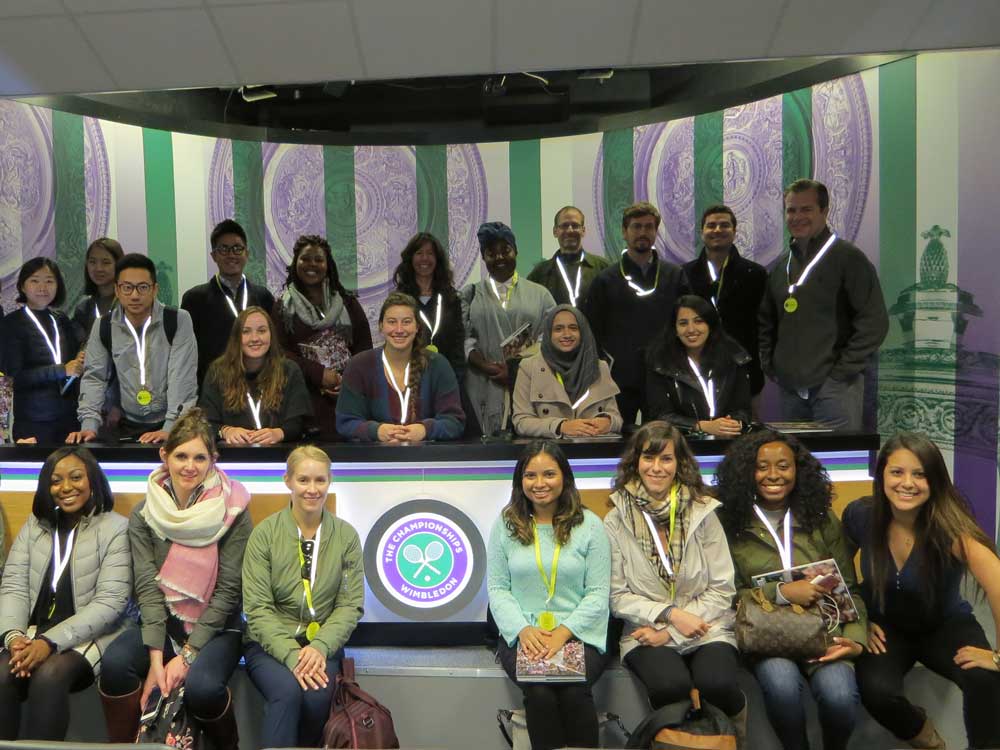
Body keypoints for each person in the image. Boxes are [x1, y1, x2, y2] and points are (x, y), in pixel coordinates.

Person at [97, 409, 251, 750]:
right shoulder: (143, 513)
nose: (189, 467)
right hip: (163, 626)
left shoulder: (234, 508)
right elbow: (147, 589)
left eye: (200, 457)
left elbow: (228, 591)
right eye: (181, 455)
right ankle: (125, 745)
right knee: (115, 664)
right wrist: (156, 659)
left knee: (202, 687)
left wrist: (188, 656)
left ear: (214, 459)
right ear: (164, 455)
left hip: (218, 628)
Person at [843, 433, 1000, 749]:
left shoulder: (951, 529)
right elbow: (838, 574)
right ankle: (928, 739)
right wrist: (858, 619)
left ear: (935, 481)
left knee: (985, 680)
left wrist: (999, 656)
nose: (907, 483)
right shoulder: (861, 514)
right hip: (884, 627)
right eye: (897, 472)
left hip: (944, 626)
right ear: (882, 475)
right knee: (878, 692)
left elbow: (997, 584)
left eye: (920, 474)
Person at [715, 430, 868, 750]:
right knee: (781, 686)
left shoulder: (821, 517)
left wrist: (854, 640)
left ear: (798, 471)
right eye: (762, 467)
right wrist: (781, 592)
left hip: (824, 628)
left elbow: (849, 586)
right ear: (746, 472)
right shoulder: (727, 523)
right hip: (764, 633)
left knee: (840, 697)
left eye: (783, 466)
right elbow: (724, 592)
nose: (773, 475)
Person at [604, 421, 747, 741]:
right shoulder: (616, 517)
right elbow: (617, 595)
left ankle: (734, 741)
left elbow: (722, 588)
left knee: (718, 683)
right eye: (648, 458)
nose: (656, 467)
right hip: (646, 629)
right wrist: (670, 617)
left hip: (707, 626)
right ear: (635, 462)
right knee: (670, 685)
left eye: (666, 459)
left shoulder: (703, 512)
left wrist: (671, 631)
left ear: (679, 464)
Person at [487, 441, 611, 750]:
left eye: (549, 474)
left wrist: (563, 633)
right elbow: (498, 589)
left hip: (580, 633)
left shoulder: (590, 525)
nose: (539, 484)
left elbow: (598, 593)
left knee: (573, 690)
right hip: (523, 633)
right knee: (539, 692)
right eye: (530, 475)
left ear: (565, 478)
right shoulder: (505, 525)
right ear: (520, 481)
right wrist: (523, 630)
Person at [0, 446, 130, 740]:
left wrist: (50, 642)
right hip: (34, 633)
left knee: (49, 676)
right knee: (2, 674)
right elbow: (13, 586)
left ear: (93, 480)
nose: (66, 487)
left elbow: (110, 603)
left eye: (76, 477)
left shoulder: (116, 528)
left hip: (92, 636)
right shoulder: (35, 526)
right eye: (56, 480)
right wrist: (14, 637)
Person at [242, 445, 365, 748]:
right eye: (303, 480)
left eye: (320, 480)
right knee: (286, 691)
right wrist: (292, 655)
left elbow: (350, 604)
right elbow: (257, 609)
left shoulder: (345, 536)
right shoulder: (265, 534)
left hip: (322, 644)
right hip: (269, 646)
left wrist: (320, 646)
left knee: (316, 697)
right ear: (288, 481)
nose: (312, 489)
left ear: (330, 481)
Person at [758, 179, 888, 430]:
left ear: (824, 211)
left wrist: (840, 374)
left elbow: (874, 322)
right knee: (796, 465)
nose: (797, 217)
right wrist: (771, 366)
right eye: (791, 210)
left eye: (806, 209)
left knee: (839, 465)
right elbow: (766, 321)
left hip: (835, 391)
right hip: (791, 391)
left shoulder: (848, 259)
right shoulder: (781, 267)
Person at [70, 253, 198, 444]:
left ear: (155, 289)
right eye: (127, 288)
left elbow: (182, 376)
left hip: (173, 422)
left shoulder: (178, 320)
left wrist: (171, 427)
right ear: (117, 290)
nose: (135, 295)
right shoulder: (104, 325)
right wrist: (89, 425)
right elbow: (94, 377)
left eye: (143, 287)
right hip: (125, 423)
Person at [583, 202, 690, 426]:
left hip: (666, 374)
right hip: (619, 379)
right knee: (618, 440)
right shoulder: (605, 280)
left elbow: (686, 324)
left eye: (649, 227)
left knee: (663, 438)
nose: (643, 232)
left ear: (656, 231)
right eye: (636, 226)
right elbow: (592, 330)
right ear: (624, 232)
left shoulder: (675, 276)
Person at [272, 234, 372, 440]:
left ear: (328, 265)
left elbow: (365, 351)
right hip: (302, 403)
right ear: (295, 263)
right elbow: (278, 353)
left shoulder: (349, 304)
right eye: (305, 259)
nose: (312, 265)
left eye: (319, 259)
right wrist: (319, 374)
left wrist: (346, 381)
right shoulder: (282, 307)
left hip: (347, 401)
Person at [461, 221, 556, 436]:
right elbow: (464, 339)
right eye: (491, 253)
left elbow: (549, 337)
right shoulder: (469, 295)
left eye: (506, 250)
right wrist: (485, 366)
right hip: (483, 383)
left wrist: (515, 370)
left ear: (516, 251)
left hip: (531, 382)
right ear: (484, 258)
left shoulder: (540, 295)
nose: (500, 258)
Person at [336, 292, 465, 442]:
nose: (399, 329)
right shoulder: (359, 365)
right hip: (375, 460)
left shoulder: (438, 364)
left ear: (417, 327)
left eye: (406, 322)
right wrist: (377, 431)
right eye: (391, 322)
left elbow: (455, 422)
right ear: (381, 326)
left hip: (426, 460)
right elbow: (345, 423)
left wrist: (425, 430)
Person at [682, 206, 766, 407]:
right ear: (702, 232)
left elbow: (765, 324)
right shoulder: (684, 274)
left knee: (746, 433)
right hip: (697, 371)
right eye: (711, 225)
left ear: (735, 232)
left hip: (744, 371)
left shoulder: (755, 274)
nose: (717, 230)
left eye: (724, 225)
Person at [181, 219, 275, 387]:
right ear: (214, 255)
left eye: (237, 248)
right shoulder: (194, 299)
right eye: (223, 249)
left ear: (247, 253)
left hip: (259, 385)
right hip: (214, 388)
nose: (231, 255)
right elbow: (188, 355)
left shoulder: (264, 297)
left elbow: (273, 347)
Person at [199, 306, 312, 444]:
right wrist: (226, 431)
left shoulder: (289, 370)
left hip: (279, 457)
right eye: (246, 332)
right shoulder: (218, 371)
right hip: (232, 457)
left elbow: (299, 423)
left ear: (271, 334)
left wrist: (279, 433)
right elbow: (206, 424)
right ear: (236, 337)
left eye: (262, 331)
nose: (255, 338)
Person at [644, 294, 751, 436]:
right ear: (674, 329)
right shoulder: (660, 362)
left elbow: (743, 409)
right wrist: (700, 426)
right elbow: (660, 416)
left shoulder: (734, 357)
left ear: (710, 325)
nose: (691, 329)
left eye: (698, 321)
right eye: (683, 323)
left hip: (728, 439)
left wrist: (734, 423)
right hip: (680, 442)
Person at [2, 258, 83, 443]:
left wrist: (80, 360)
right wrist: (61, 370)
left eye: (49, 281)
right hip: (33, 421)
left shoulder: (61, 320)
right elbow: (16, 377)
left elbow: (74, 359)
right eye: (35, 280)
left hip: (69, 420)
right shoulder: (11, 324)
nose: (42, 287)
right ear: (23, 286)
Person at [512, 304, 622, 438]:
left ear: (583, 332)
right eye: (558, 329)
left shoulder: (599, 367)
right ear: (548, 334)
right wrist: (561, 426)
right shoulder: (529, 367)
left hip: (591, 451)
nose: (567, 334)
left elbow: (616, 418)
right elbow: (521, 422)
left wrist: (607, 422)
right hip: (548, 452)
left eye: (573, 328)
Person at [392, 231, 466, 381]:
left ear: (437, 259)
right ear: (411, 258)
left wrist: (455, 379)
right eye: (419, 253)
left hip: (447, 378)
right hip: (410, 379)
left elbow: (457, 343)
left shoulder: (451, 299)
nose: (424, 258)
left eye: (430, 253)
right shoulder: (400, 300)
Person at [527, 206, 611, 308]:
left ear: (583, 230)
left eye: (575, 225)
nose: (570, 230)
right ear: (555, 231)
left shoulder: (603, 269)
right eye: (564, 226)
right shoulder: (539, 273)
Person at [71, 237, 124, 343]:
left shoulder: (130, 304)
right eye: (92, 262)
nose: (98, 268)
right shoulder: (83, 309)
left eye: (106, 262)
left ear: (119, 264)